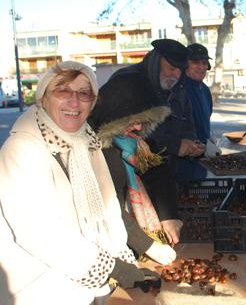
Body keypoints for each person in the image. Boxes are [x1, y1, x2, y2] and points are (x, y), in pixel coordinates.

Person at [0, 61, 159, 305]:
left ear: (93, 102)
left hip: (83, 284)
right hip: (39, 287)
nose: (74, 103)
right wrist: (113, 269)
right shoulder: (22, 149)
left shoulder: (86, 142)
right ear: (44, 98)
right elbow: (41, 234)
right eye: (62, 91)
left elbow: (108, 210)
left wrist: (124, 260)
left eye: (84, 94)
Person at [106, 39, 205, 245]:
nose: (176, 75)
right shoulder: (128, 84)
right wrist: (176, 145)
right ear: (155, 61)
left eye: (180, 70)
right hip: (126, 188)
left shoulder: (178, 86)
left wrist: (191, 142)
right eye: (171, 68)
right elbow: (146, 148)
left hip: (164, 176)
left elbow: (150, 156)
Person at [89, 72, 177, 265]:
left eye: (143, 121)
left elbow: (159, 171)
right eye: (133, 120)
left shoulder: (137, 141)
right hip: (110, 251)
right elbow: (110, 209)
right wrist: (148, 246)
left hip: (134, 241)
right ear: (115, 117)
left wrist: (169, 215)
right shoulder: (99, 153)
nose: (138, 127)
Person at [177, 43, 221, 182]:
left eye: (204, 62)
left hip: (202, 160)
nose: (201, 67)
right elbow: (177, 128)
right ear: (185, 64)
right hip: (182, 161)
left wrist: (209, 139)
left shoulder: (205, 90)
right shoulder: (178, 89)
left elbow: (204, 121)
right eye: (195, 62)